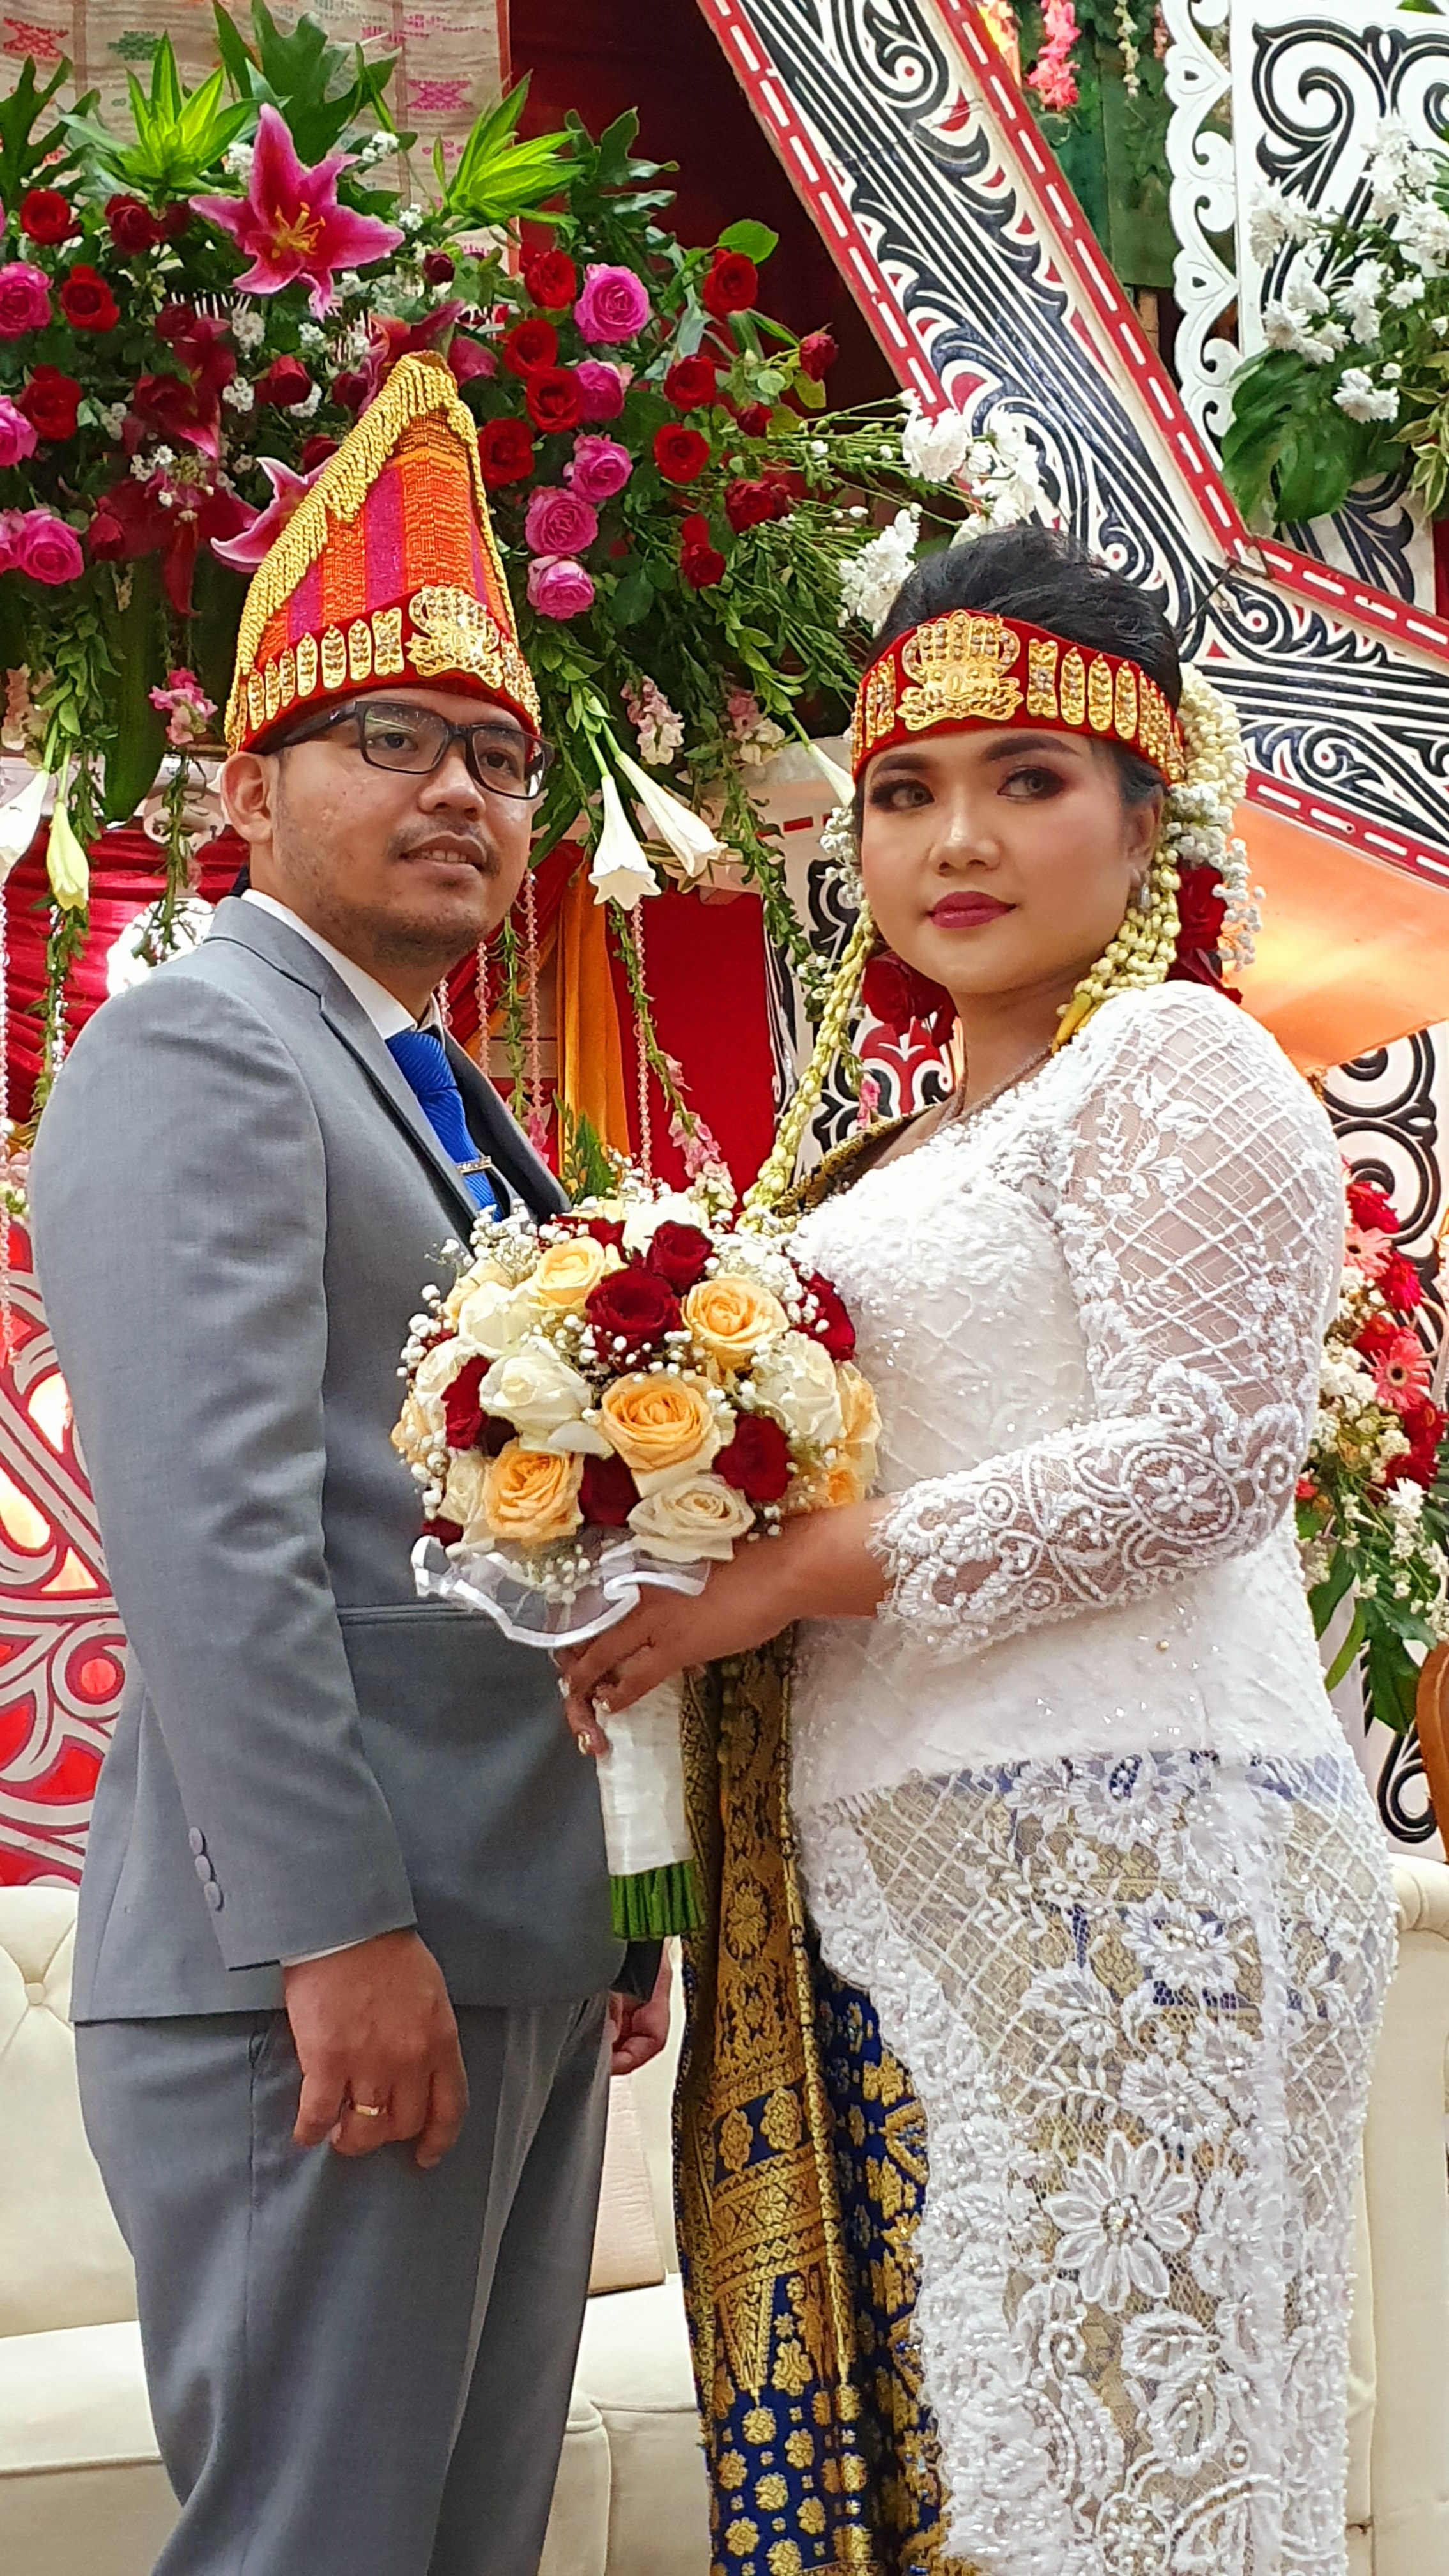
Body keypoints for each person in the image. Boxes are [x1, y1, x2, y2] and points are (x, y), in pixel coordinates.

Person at [560, 526, 1395, 2576]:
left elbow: (1205, 1458)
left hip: (1119, 1864)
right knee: (958, 2480)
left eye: (1028, 780)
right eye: (906, 792)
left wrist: (778, 1582)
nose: (957, 841)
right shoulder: (893, 1149)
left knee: (1103, 2477)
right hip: (893, 1859)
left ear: (1146, 811)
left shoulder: (1173, 1061)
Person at [30, 352, 666, 2576]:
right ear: (248, 785)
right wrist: (340, 1932)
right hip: (320, 1965)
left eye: (496, 754)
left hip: (508, 1937)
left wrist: (619, 1896)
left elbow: (526, 1541)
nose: (458, 790)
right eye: (387, 739)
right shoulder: (202, 1047)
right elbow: (214, 1542)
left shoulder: (431, 1086)